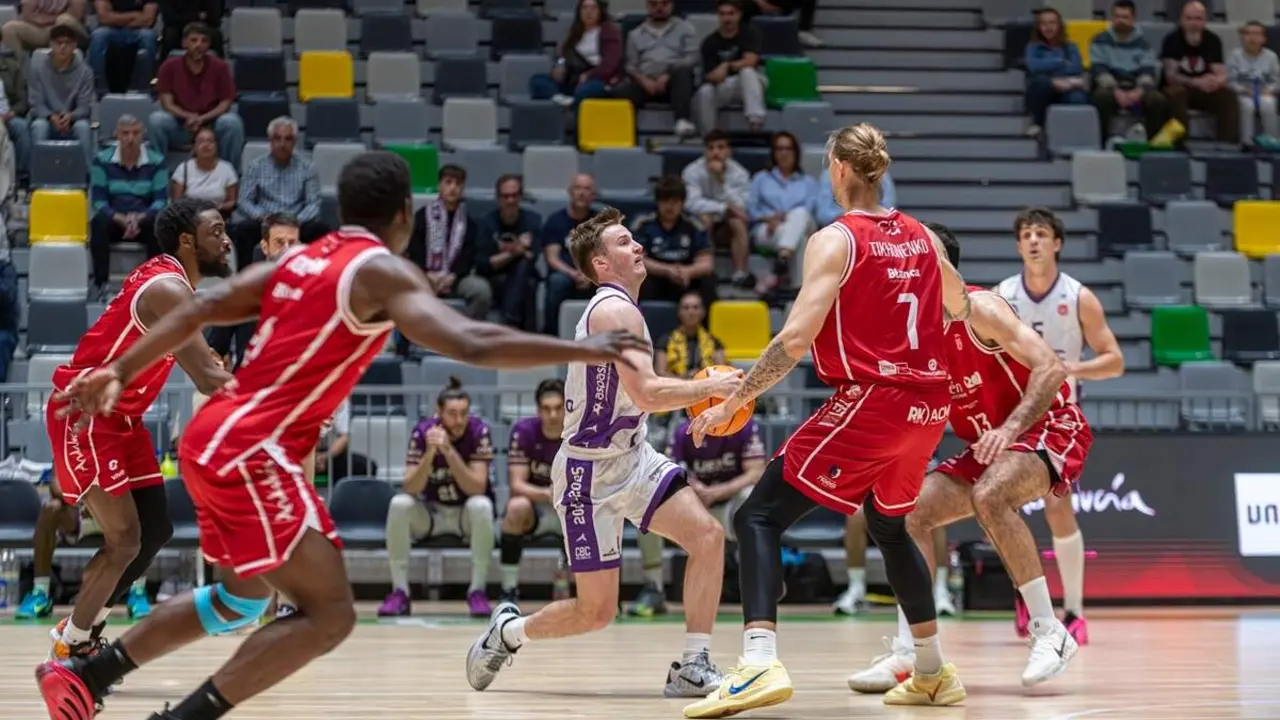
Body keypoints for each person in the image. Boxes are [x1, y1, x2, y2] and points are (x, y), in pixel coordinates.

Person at [38, 150, 647, 720]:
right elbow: (472, 341)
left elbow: (204, 306)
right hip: (254, 449)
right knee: (328, 613)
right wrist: (582, 347)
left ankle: (87, 678)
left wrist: (116, 370)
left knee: (240, 599)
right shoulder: (381, 272)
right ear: (405, 215)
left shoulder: (303, 258)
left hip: (217, 439)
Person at [681, 123, 976, 718]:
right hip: (928, 406)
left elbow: (794, 338)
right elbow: (960, 305)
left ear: (839, 168)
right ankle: (931, 671)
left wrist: (739, 396)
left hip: (875, 397)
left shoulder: (834, 239)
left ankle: (759, 660)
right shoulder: (922, 236)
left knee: (757, 516)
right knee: (889, 528)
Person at [465, 206, 744, 699]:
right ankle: (508, 632)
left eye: (634, 239)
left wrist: (701, 400)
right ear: (601, 264)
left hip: (634, 457)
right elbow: (647, 394)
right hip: (587, 476)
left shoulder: (626, 310)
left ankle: (693, 665)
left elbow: (642, 398)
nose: (638, 247)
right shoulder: (613, 309)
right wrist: (712, 386)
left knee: (708, 536)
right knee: (596, 613)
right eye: (624, 242)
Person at [847, 221, 1089, 693]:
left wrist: (1010, 428)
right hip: (987, 446)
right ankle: (913, 654)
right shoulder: (914, 336)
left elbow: (1052, 367)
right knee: (904, 513)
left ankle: (1049, 631)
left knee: (991, 496)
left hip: (1047, 425)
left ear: (944, 267)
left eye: (921, 254)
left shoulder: (982, 308)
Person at [42, 198, 234, 666]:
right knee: (125, 538)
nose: (227, 239)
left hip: (120, 419)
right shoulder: (170, 290)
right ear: (187, 240)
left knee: (155, 531)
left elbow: (208, 365)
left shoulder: (174, 283)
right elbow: (208, 379)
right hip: (85, 414)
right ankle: (71, 644)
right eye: (217, 230)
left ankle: (82, 631)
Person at [995, 206, 1123, 646]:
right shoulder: (1003, 294)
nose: (1033, 240)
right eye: (1026, 234)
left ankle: (1074, 611)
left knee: (1057, 508)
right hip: (1011, 417)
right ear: (1018, 245)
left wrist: (1069, 368)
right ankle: (1027, 594)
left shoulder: (1078, 296)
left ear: (1057, 244)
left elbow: (1115, 360)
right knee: (997, 506)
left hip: (1059, 419)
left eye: (1041, 233)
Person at [379, 379, 497, 618]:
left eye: (464, 413)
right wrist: (431, 452)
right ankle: (400, 591)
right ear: (439, 413)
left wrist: (449, 452)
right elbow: (411, 486)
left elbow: (477, 486)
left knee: (482, 505)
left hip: (465, 515)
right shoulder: (422, 433)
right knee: (399, 504)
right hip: (431, 514)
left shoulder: (479, 431)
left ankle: (477, 591)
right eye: (452, 414)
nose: (459, 420)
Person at [632, 413, 765, 616]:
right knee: (648, 513)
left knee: (751, 497)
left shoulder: (744, 426)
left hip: (728, 504)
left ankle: (760, 584)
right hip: (692, 504)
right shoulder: (682, 430)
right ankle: (654, 589)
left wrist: (716, 492)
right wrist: (695, 488)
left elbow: (756, 472)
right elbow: (669, 470)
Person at [498, 379, 571, 603]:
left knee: (601, 511)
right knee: (515, 507)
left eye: (558, 408)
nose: (553, 414)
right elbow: (516, 484)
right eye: (547, 409)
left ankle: (598, 594)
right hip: (536, 506)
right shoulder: (523, 431)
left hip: (570, 506)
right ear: (538, 409)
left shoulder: (578, 432)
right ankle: (509, 589)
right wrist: (546, 494)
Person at [229, 116, 327, 269]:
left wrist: (295, 221)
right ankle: (246, 278)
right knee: (243, 230)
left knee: (320, 230)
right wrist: (264, 217)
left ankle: (314, 276)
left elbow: (313, 204)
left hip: (297, 220)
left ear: (294, 142)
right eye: (277, 138)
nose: (282, 144)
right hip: (265, 221)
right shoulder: (256, 166)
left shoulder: (307, 167)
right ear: (270, 141)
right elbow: (244, 201)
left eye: (287, 139)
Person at [88, 114, 169, 299]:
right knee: (98, 222)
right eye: (125, 133)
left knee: (159, 223)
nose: (130, 138)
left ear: (143, 135)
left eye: (135, 133)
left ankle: (154, 284)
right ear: (117, 135)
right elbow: (98, 201)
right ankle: (101, 284)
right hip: (115, 219)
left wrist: (138, 218)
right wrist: (121, 219)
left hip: (144, 219)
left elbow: (160, 201)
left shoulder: (157, 161)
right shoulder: (102, 160)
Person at [205, 212, 298, 370]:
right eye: (279, 243)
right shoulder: (240, 292)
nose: (287, 250)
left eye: (292, 243)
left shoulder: (312, 290)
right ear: (264, 247)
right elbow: (215, 349)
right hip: (249, 384)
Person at [149, 22, 243, 165]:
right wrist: (188, 116)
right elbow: (166, 103)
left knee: (232, 122)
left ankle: (229, 175)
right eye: (194, 40)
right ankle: (157, 173)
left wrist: (202, 119)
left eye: (204, 41)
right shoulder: (169, 66)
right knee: (156, 120)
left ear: (209, 45)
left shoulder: (221, 67)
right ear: (184, 43)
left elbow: (226, 102)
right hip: (180, 125)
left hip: (212, 125)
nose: (199, 45)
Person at [15, 473, 106, 620]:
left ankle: (137, 592)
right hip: (80, 513)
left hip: (114, 510)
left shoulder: (116, 449)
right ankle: (41, 593)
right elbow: (56, 486)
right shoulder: (68, 448)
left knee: (141, 507)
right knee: (51, 508)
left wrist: (100, 503)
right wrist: (85, 502)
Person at [405, 164, 490, 321]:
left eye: (458, 184)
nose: (453, 188)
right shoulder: (423, 216)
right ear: (439, 186)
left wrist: (453, 277)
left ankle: (466, 334)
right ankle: (407, 341)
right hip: (425, 275)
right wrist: (427, 274)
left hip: (456, 279)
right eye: (448, 182)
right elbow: (414, 249)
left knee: (481, 290)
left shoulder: (468, 222)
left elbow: (469, 256)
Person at [832, 506, 950, 616]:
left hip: (912, 497)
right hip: (883, 499)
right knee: (855, 514)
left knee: (934, 513)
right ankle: (856, 590)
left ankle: (939, 590)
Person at [1089, 0, 1172, 142]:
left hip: (1136, 88)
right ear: (1112, 18)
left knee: (1157, 101)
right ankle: (1099, 143)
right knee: (1101, 98)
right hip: (1110, 87)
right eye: (1117, 16)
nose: (1120, 20)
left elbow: (1147, 72)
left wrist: (1138, 92)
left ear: (1133, 19)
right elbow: (1099, 70)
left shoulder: (1143, 44)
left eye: (1125, 17)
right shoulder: (1100, 41)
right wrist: (1116, 91)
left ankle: (1153, 146)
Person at [748, 130, 818, 295]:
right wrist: (768, 219)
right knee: (799, 238)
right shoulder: (761, 179)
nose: (784, 153)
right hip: (767, 229)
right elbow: (750, 211)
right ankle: (797, 287)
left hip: (800, 225)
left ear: (795, 152)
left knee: (800, 214)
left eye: (788, 149)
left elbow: (811, 214)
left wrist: (787, 219)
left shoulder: (808, 182)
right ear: (773, 153)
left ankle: (782, 259)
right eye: (779, 149)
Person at [631, 176, 717, 307]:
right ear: (658, 202)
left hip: (685, 277)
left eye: (675, 201)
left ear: (682, 203)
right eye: (665, 201)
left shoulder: (694, 225)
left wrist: (688, 272)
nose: (669, 206)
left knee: (708, 282)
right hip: (655, 276)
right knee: (637, 278)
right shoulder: (643, 224)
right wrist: (667, 270)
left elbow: (706, 262)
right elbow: (637, 259)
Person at [682, 130, 752, 289]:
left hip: (728, 225)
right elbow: (691, 203)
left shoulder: (739, 173)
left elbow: (741, 206)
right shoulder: (692, 171)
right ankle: (707, 269)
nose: (715, 152)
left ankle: (740, 273)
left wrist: (721, 179)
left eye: (720, 147)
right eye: (711, 148)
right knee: (704, 218)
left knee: (737, 221)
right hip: (703, 221)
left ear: (728, 151)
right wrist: (723, 208)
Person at [1161, 0, 1238, 145]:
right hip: (1180, 88)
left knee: (1228, 95)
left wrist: (1216, 81)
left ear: (1205, 20)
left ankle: (1227, 145)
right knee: (1176, 93)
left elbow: (1221, 73)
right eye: (1189, 18)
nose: (1193, 23)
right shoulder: (1172, 40)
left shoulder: (1213, 40)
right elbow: (1170, 76)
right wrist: (1196, 82)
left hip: (1204, 89)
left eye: (1198, 18)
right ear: (1181, 20)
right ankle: (1181, 144)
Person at [620, 0, 699, 138]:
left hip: (674, 81)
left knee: (682, 73)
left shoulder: (686, 29)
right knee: (625, 88)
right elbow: (631, 65)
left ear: (671, 5)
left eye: (663, 4)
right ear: (647, 7)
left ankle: (682, 121)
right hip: (646, 81)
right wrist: (644, 80)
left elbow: (692, 58)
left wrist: (668, 74)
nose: (659, 8)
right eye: (654, 4)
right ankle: (625, 133)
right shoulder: (635, 34)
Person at [475, 174, 541, 330]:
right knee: (525, 279)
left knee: (525, 270)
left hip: (522, 275)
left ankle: (509, 320)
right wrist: (515, 251)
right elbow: (482, 264)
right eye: (506, 196)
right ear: (498, 198)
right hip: (495, 278)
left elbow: (533, 256)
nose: (510, 201)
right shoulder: (486, 223)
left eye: (514, 195)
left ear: (520, 197)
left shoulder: (533, 220)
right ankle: (520, 328)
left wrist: (502, 256)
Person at [529, 0, 622, 108]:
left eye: (593, 8)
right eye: (585, 8)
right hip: (572, 78)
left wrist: (589, 75)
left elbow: (609, 64)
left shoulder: (609, 31)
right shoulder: (575, 32)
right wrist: (559, 68)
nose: (589, 12)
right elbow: (563, 56)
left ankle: (569, 103)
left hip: (596, 78)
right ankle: (563, 100)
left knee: (586, 91)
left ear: (600, 11)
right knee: (537, 81)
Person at [28, 23, 95, 167]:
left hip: (73, 120)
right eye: (59, 43)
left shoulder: (85, 72)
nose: (63, 47)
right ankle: (38, 175)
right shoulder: (37, 69)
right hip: (46, 118)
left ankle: (88, 178)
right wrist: (51, 117)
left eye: (67, 43)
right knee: (39, 127)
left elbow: (85, 105)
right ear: (51, 44)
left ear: (75, 45)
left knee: (83, 128)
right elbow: (36, 102)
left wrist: (71, 116)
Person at [693, 0, 765, 134]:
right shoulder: (710, 42)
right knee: (705, 91)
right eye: (723, 14)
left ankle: (756, 121)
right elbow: (711, 76)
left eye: (731, 14)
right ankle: (710, 135)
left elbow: (751, 60)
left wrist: (727, 65)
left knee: (747, 71)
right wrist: (720, 73)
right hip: (726, 86)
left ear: (739, 15)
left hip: (752, 84)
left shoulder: (749, 33)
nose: (727, 18)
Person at [541, 173, 598, 336]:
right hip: (566, 273)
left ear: (593, 195)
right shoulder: (556, 221)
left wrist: (590, 274)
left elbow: (606, 255)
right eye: (577, 188)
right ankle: (551, 335)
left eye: (587, 189)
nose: (581, 193)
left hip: (594, 273)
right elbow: (552, 258)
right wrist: (574, 274)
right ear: (570, 192)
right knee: (557, 282)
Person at [1024, 6, 1088, 137]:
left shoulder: (1070, 47)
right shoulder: (1033, 47)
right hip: (1043, 88)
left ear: (1059, 25)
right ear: (1038, 27)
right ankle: (1037, 125)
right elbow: (1033, 66)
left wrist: (1065, 81)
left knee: (1078, 97)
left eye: (1052, 23)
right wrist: (1059, 63)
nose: (1048, 27)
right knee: (1041, 84)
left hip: (1067, 87)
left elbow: (1076, 67)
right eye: (1044, 24)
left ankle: (1071, 134)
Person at [654, 289, 725, 379]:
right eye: (686, 308)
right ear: (679, 313)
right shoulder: (665, 340)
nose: (691, 312)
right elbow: (660, 373)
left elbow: (722, 372)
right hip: (675, 388)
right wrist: (684, 379)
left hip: (706, 387)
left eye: (695, 307)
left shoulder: (714, 342)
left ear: (703, 312)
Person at [1228, 20, 1280, 143]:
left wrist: (1270, 90)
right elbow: (1230, 81)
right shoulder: (1235, 56)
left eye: (1256, 34)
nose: (1252, 38)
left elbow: (1277, 80)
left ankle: (1270, 141)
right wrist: (1244, 90)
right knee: (1247, 105)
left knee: (1269, 104)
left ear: (1264, 39)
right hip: (1243, 93)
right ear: (1242, 37)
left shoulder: (1271, 57)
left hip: (1264, 92)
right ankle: (1247, 143)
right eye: (1247, 33)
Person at [170, 126, 238, 214]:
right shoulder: (183, 168)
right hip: (190, 217)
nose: (206, 145)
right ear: (194, 147)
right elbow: (176, 202)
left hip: (218, 216)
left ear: (217, 146)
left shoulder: (227, 168)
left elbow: (232, 201)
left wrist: (219, 207)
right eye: (201, 141)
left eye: (210, 141)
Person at [87, 0, 158, 82]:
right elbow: (104, 18)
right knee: (98, 35)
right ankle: (97, 82)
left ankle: (145, 82)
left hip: (138, 30)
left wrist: (116, 19)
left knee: (149, 36)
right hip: (110, 30)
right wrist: (134, 15)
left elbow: (148, 20)